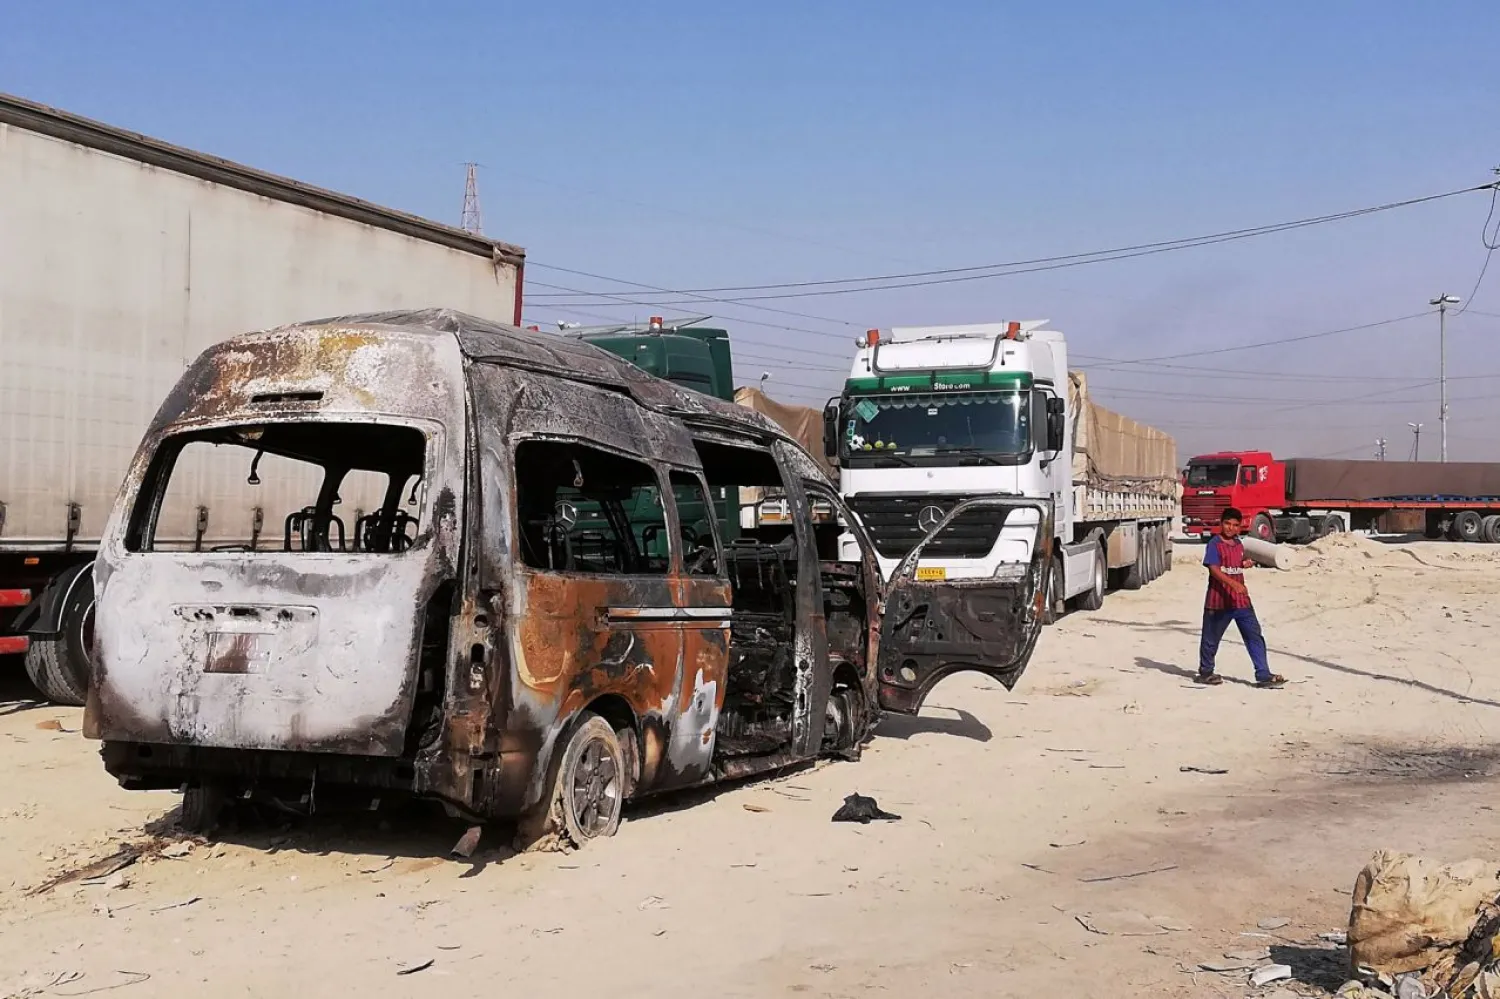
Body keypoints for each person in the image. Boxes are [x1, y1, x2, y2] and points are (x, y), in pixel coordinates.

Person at [1197, 507, 1286, 687]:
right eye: (1227, 524)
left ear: (1239, 528)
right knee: (1210, 639)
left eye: (1235, 525)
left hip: (1240, 602)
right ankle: (1206, 672)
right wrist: (1234, 584)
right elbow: (1214, 569)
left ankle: (1263, 674)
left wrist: (1244, 564)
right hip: (1218, 602)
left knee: (1254, 636)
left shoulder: (1238, 544)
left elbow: (1236, 563)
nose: (1230, 528)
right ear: (1221, 524)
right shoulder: (1214, 544)